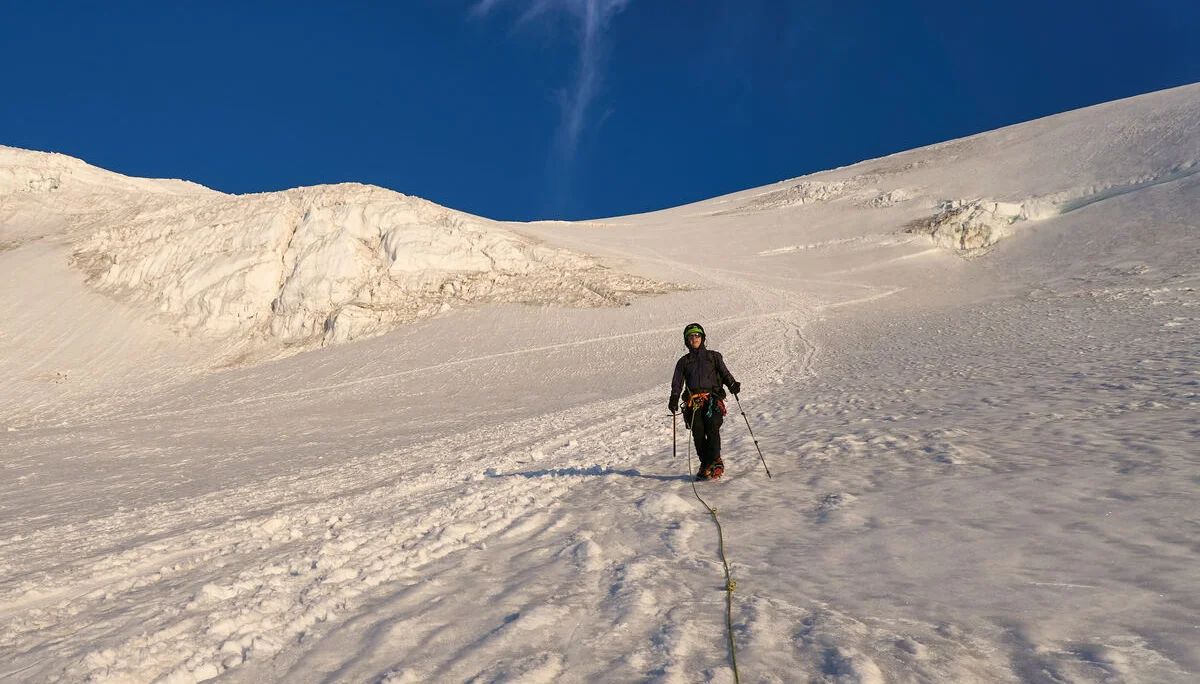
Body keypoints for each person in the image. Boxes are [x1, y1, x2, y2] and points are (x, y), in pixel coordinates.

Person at [669, 323, 741, 480]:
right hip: (694, 402)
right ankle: (706, 464)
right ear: (686, 340)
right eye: (690, 336)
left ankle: (715, 461)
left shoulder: (714, 357)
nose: (694, 338)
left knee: (712, 425)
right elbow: (677, 383)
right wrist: (674, 397)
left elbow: (725, 374)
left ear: (702, 338)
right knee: (698, 432)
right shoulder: (684, 361)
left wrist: (732, 384)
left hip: (712, 399)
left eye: (697, 335)